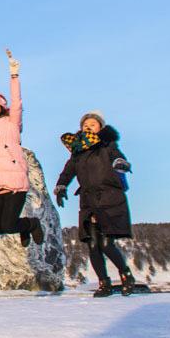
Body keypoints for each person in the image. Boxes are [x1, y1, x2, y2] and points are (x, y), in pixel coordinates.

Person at [54, 111, 136, 297]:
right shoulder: (78, 151)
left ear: (100, 127)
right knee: (92, 244)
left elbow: (118, 157)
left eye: (92, 124)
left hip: (109, 199)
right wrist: (61, 186)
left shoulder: (107, 145)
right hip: (89, 201)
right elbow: (68, 171)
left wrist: (121, 163)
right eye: (85, 124)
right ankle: (104, 283)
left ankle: (126, 275)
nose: (88, 126)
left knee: (106, 243)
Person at [0, 49, 44, 247]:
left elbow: (17, 103)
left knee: (8, 225)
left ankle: (31, 224)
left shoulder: (12, 122)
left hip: (14, 180)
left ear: (2, 106)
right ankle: (23, 226)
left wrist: (14, 75)